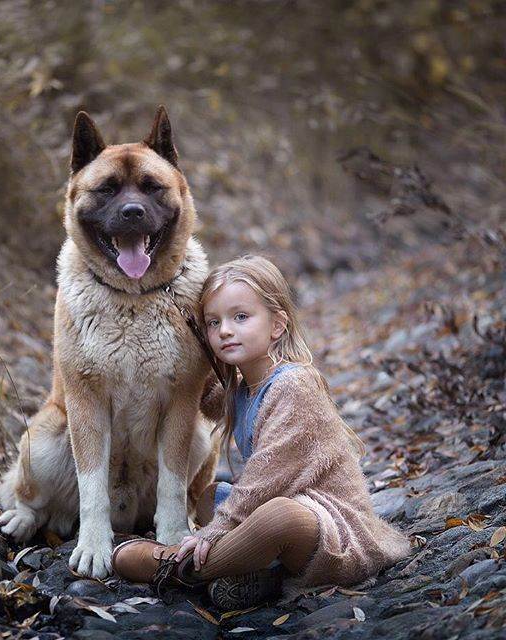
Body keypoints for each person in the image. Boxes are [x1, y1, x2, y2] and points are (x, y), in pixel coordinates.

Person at [111, 255, 412, 610]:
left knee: (278, 515)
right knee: (212, 496)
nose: (224, 330)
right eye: (213, 322)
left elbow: (266, 476)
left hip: (331, 527)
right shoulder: (241, 389)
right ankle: (256, 575)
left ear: (277, 325)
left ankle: (176, 569)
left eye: (240, 317)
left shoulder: (294, 384)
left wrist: (211, 533)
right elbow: (202, 393)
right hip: (279, 514)